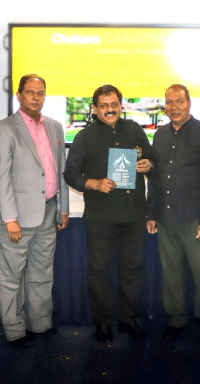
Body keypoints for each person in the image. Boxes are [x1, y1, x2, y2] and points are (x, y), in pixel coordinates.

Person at [63, 85, 153, 344]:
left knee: (131, 270)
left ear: (121, 105)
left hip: (133, 215)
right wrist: (93, 183)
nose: (110, 109)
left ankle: (128, 319)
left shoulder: (134, 129)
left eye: (114, 104)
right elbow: (70, 174)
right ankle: (102, 322)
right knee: (99, 272)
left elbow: (151, 159)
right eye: (104, 105)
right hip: (100, 216)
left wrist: (148, 164)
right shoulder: (84, 136)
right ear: (95, 108)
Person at [0, 74, 69, 348]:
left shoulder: (55, 127)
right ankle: (15, 330)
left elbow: (60, 170)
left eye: (40, 92)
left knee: (41, 274)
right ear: (19, 95)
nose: (36, 97)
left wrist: (63, 208)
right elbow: (0, 177)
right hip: (16, 218)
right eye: (30, 92)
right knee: (11, 278)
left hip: (48, 212)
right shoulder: (4, 128)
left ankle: (40, 324)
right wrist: (10, 218)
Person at [146, 84, 200, 345]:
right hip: (165, 220)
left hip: (194, 220)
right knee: (171, 274)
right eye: (169, 102)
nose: (174, 107)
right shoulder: (160, 135)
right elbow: (155, 178)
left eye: (179, 101)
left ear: (189, 103)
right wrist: (151, 213)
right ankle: (176, 320)